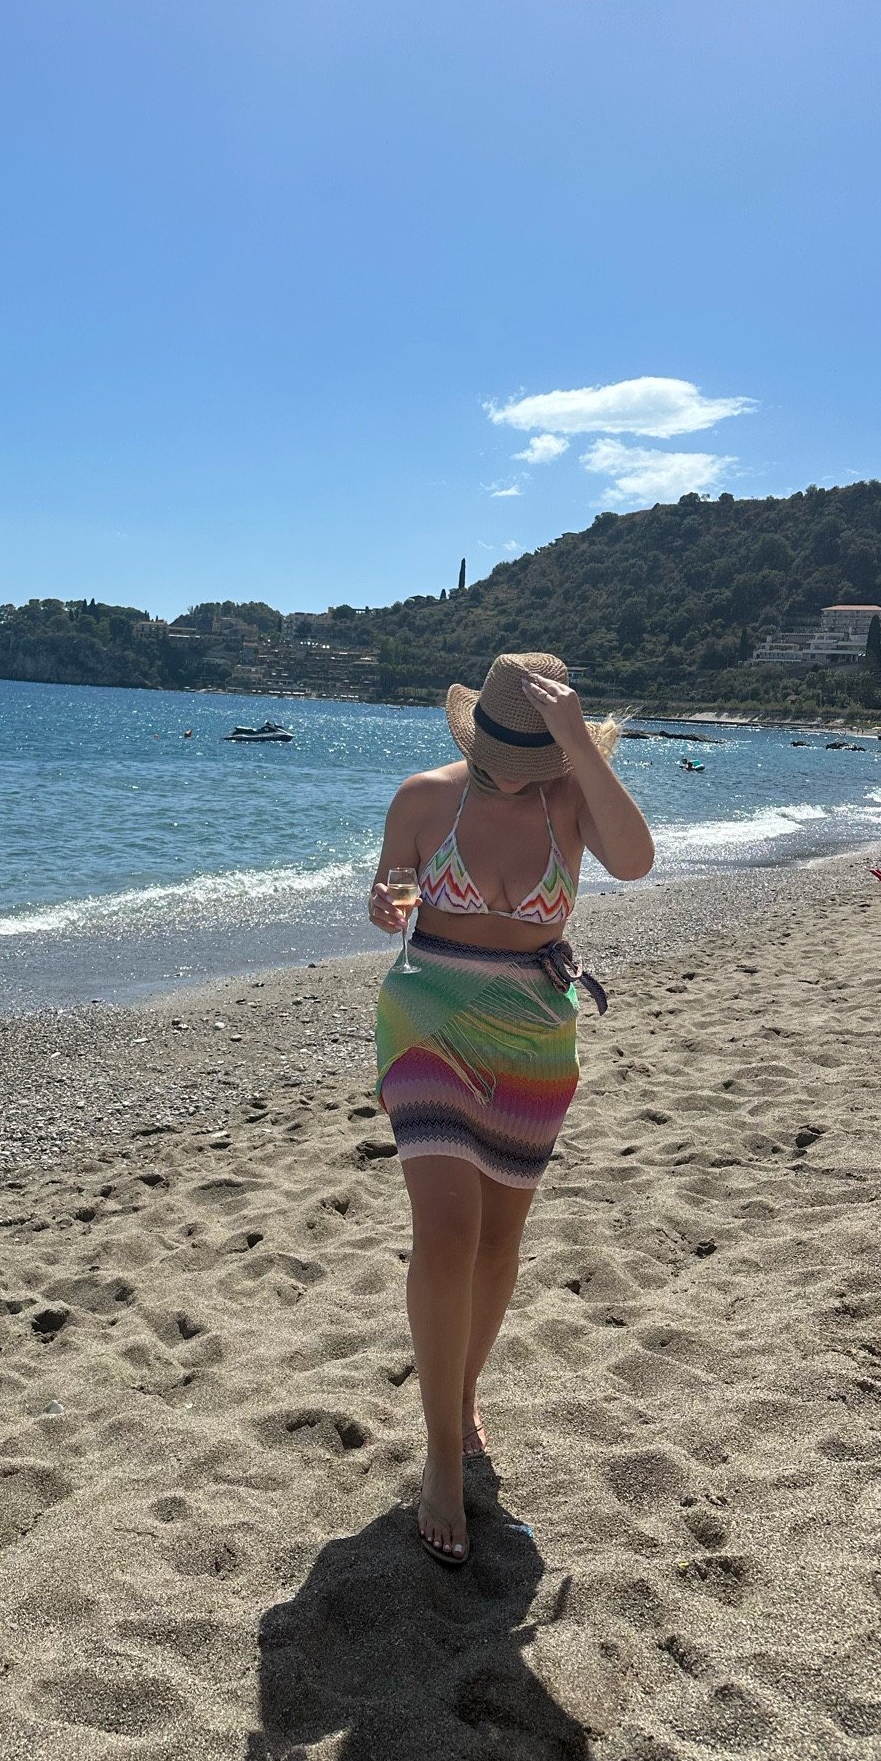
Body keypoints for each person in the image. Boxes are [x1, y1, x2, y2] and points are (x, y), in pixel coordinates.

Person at [369, 653, 654, 1567]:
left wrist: (578, 746)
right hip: (427, 1015)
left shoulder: (573, 797)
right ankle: (441, 1457)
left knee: (499, 1244)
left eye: (531, 759)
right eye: (497, 758)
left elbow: (636, 862)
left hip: (533, 1028)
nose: (509, 774)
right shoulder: (423, 798)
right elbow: (390, 894)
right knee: (448, 1231)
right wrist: (386, 901)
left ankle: (463, 1395)